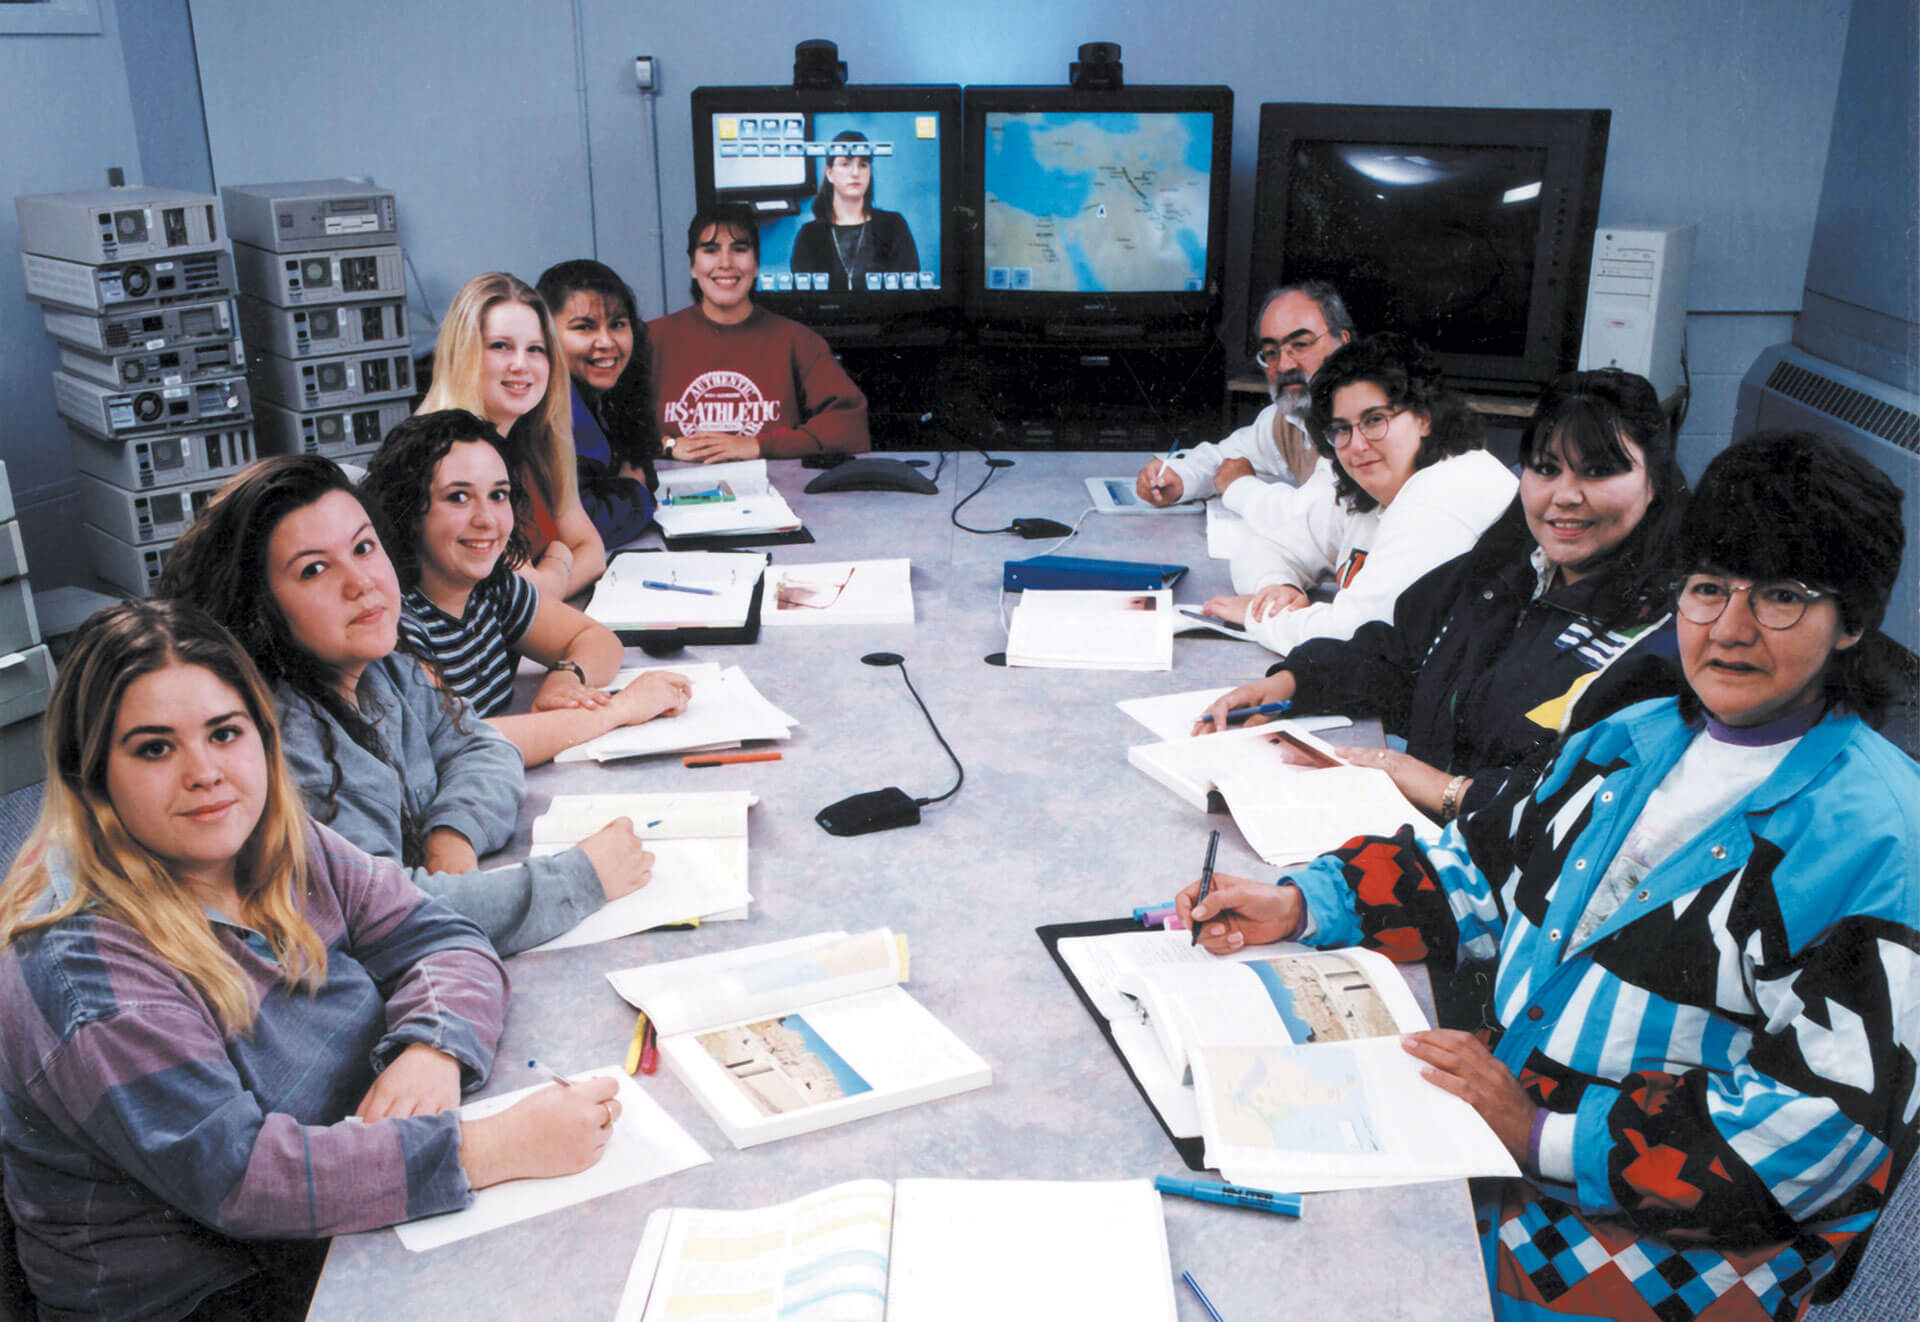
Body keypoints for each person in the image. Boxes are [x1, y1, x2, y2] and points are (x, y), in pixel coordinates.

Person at [1178, 429, 1919, 1321]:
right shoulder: (1630, 741)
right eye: (1709, 587)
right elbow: (1484, 872)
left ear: (1858, 622)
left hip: (1680, 1245)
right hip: (1509, 1143)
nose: (1728, 628)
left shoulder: (1883, 841)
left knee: (1335, 1281)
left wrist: (1539, 1134)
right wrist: (1301, 902)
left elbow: (1819, 1136)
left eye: (1782, 598)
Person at [0, 601, 621, 1322]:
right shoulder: (83, 968)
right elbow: (243, 1179)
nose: (205, 773)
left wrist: (432, 1047)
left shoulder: (274, 837)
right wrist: (489, 1148)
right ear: (92, 774)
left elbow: (444, 937)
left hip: (331, 1201)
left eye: (224, 734)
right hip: (214, 1294)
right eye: (154, 748)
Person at [158, 455, 653, 956]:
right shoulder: (289, 737)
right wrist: (582, 878)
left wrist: (451, 836)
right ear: (260, 607)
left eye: (363, 547)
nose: (361, 582)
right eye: (314, 569)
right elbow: (383, 918)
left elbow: (482, 748)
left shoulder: (382, 668)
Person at [1198, 369, 1687, 821]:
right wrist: (1290, 685)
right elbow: (1400, 655)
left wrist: (1445, 790)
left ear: (1654, 484)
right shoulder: (1512, 568)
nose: (1564, 495)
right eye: (1545, 468)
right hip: (1411, 837)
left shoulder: (1663, 641)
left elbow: (1580, 813)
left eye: (1598, 472)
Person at [362, 408, 691, 766]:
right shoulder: (394, 625)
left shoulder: (491, 588)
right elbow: (462, 743)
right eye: (458, 497)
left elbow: (598, 641)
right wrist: (621, 709)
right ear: (408, 509)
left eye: (498, 495)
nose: (486, 519)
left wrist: (566, 679)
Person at [1200, 332, 1516, 656]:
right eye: (1342, 429)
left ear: (1424, 417)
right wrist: (1277, 587)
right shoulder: (1373, 483)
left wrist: (1261, 618)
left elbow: (1356, 636)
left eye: (1375, 420)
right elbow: (1267, 540)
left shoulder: (1447, 491)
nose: (1358, 445)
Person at [419, 272, 605, 599]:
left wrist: (547, 582)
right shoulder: (446, 457)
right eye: (500, 346)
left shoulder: (534, 441)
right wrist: (561, 555)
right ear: (463, 352)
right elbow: (524, 594)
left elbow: (592, 551)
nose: (521, 365)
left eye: (535, 349)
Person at [650, 200, 870, 462]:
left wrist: (757, 445)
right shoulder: (652, 338)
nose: (725, 263)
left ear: (755, 263)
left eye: (739, 249)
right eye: (710, 250)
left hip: (775, 494)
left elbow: (850, 427)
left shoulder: (797, 341)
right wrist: (667, 444)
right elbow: (604, 429)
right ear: (692, 265)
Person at [1134, 281, 1353, 506]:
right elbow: (1224, 459)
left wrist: (1240, 487)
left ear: (1343, 343)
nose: (1284, 365)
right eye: (1271, 352)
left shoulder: (1363, 419)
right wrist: (1179, 478)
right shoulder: (1288, 421)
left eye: (1300, 344)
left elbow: (1323, 521)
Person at [535, 258, 661, 549]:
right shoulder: (549, 412)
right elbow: (586, 526)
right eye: (584, 327)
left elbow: (639, 466)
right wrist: (635, 492)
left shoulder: (603, 393)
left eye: (617, 324)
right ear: (546, 334)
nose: (606, 342)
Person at [790, 129, 921, 293]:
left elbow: (908, 293)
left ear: (870, 172)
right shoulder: (809, 234)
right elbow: (805, 301)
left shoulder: (894, 225)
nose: (855, 173)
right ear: (830, 173)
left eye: (863, 164)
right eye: (846, 163)